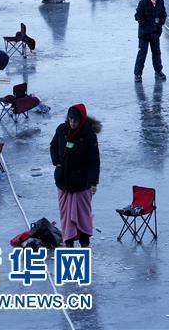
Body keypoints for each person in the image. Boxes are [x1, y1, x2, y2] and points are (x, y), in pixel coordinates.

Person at [50, 104, 101, 248]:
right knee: (66, 215)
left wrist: (93, 182)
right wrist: (56, 161)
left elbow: (94, 161)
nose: (72, 123)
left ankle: (85, 241)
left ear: (81, 120)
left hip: (82, 183)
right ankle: (69, 242)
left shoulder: (89, 135)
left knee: (83, 214)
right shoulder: (61, 130)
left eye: (75, 120)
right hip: (64, 182)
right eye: (70, 119)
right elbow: (53, 146)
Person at [133, 0, 167, 82]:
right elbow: (138, 16)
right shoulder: (143, 2)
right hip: (144, 34)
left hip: (155, 33)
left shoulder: (160, 2)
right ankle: (138, 74)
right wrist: (145, 27)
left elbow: (163, 15)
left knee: (156, 53)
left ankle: (158, 71)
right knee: (142, 53)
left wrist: (159, 24)